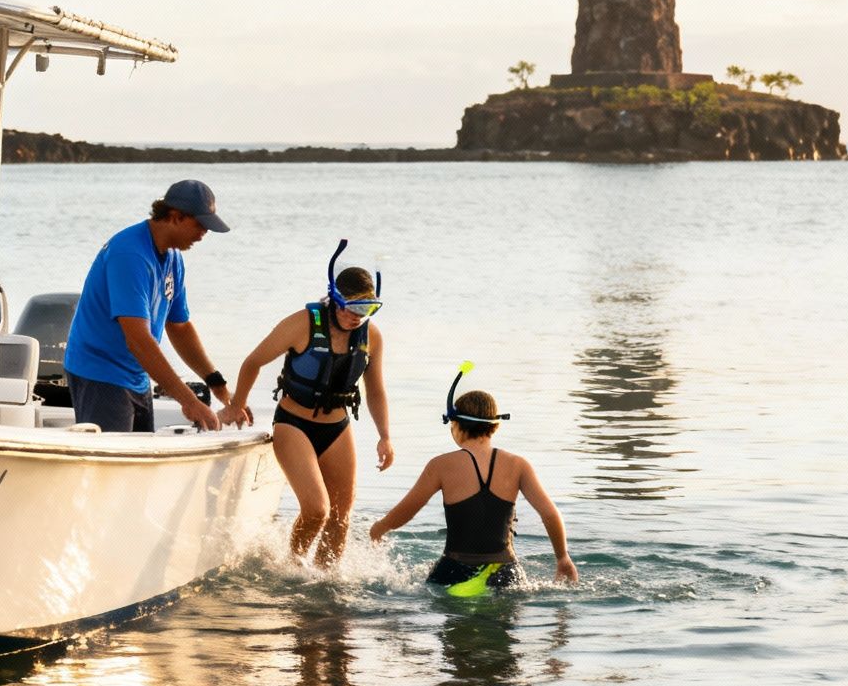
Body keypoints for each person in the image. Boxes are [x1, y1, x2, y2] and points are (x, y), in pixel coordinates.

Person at [218, 241, 393, 566]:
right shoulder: (302, 324)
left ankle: (325, 582)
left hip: (337, 428)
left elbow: (376, 390)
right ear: (334, 299)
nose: (358, 317)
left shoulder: (372, 336)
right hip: (293, 424)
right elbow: (252, 362)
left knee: (341, 517)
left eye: (367, 309)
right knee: (317, 509)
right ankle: (292, 568)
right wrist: (236, 404)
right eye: (351, 308)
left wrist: (384, 435)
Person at [368, 368, 579, 591]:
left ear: (456, 425)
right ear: (495, 425)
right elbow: (549, 513)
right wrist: (562, 558)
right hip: (505, 574)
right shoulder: (518, 465)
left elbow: (407, 510)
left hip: (454, 572)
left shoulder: (441, 465)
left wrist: (379, 529)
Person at [63, 179, 241, 433]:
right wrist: (189, 401)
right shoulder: (130, 255)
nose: (204, 234)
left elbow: (179, 327)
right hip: (100, 373)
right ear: (175, 216)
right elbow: (138, 340)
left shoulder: (173, 258)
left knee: (138, 462)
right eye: (200, 225)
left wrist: (216, 383)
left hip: (136, 375)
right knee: (115, 467)